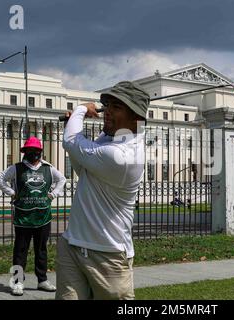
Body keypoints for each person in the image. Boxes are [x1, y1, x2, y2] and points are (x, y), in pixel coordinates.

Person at [57, 81, 148, 300]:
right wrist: (74, 122)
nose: (106, 112)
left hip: (108, 255)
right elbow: (82, 166)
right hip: (73, 244)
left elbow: (71, 141)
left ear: (136, 118)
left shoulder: (121, 156)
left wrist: (80, 110)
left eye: (116, 107)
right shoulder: (114, 139)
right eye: (106, 105)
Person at [0, 136, 66, 296]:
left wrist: (53, 195)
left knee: (41, 250)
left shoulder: (48, 168)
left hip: (43, 216)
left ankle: (42, 280)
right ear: (25, 152)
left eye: (35, 150)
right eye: (29, 150)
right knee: (20, 250)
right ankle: (18, 282)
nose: (33, 153)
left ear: (40, 152)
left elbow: (62, 179)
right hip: (23, 217)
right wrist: (12, 193)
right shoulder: (17, 168)